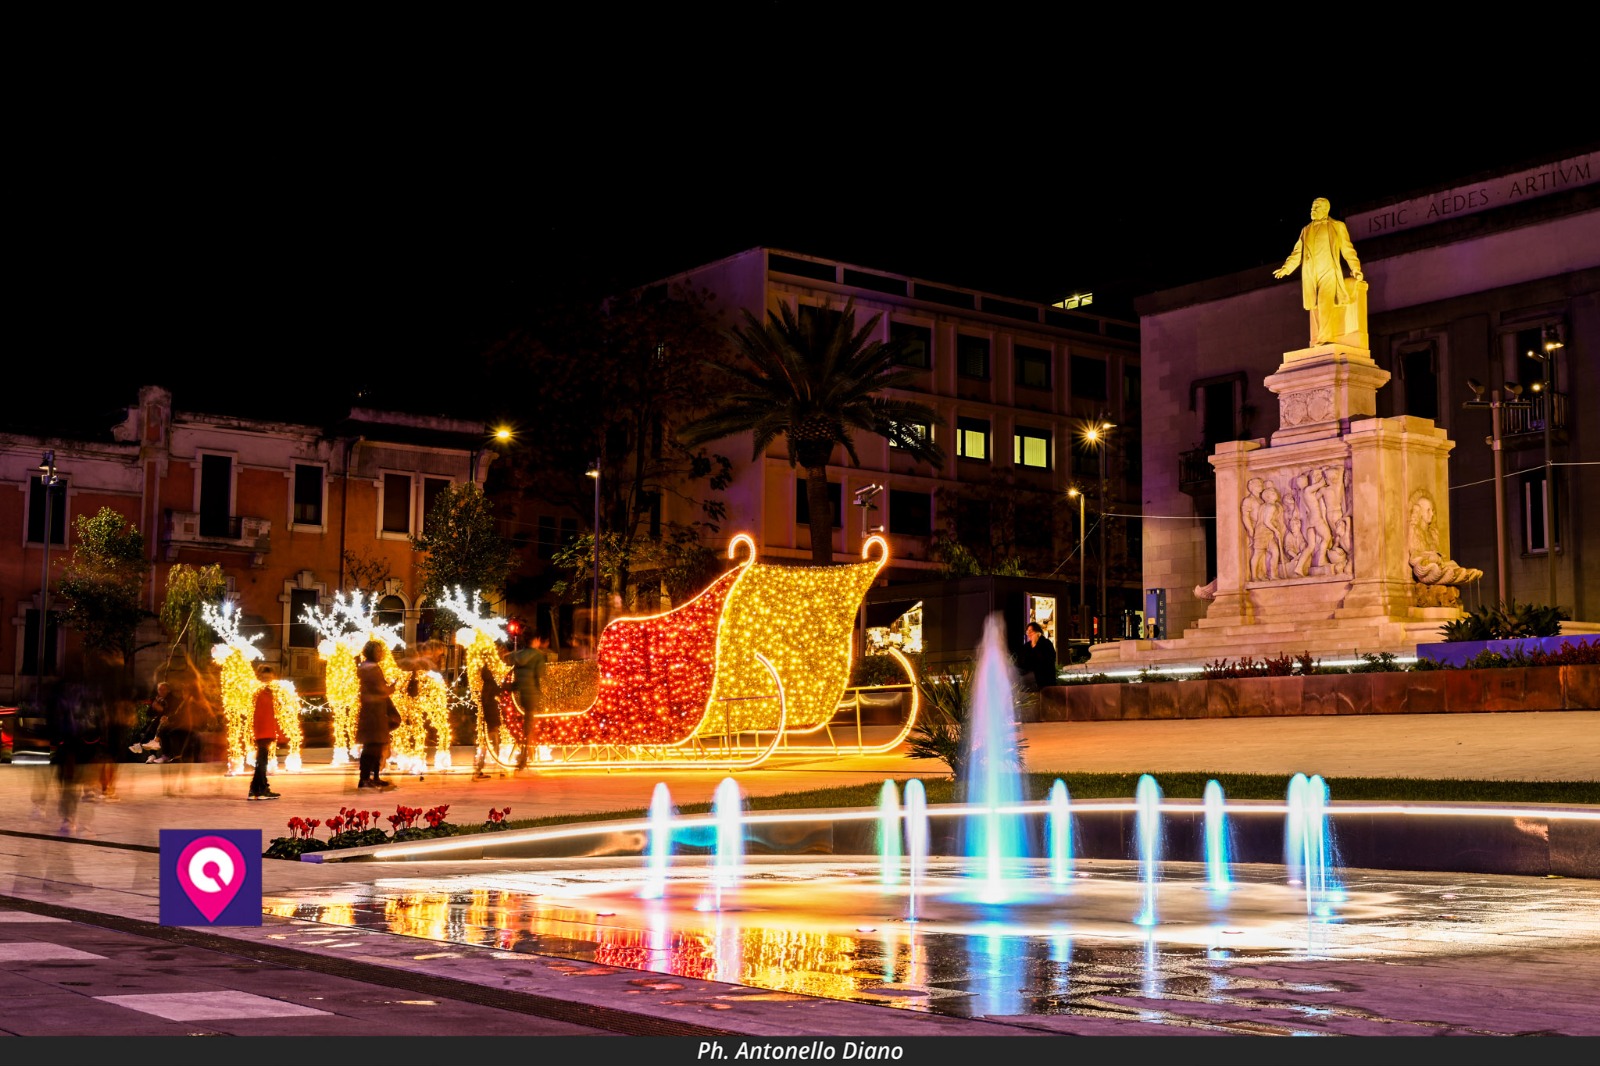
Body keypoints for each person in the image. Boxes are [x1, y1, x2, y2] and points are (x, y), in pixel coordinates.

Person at [1273, 197, 1364, 345]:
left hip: (1329, 271)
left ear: (1326, 209)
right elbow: (1297, 253)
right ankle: (1319, 338)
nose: (1312, 210)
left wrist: (1355, 268)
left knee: (1324, 301)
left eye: (1316, 207)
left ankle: (1325, 338)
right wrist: (1286, 268)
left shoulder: (1337, 226)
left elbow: (1347, 249)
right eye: (1312, 208)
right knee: (1314, 305)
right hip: (1311, 274)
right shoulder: (1306, 230)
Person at [355, 640, 397, 790]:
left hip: (374, 711)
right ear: (371, 652)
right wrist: (391, 688)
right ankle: (365, 778)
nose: (380, 654)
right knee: (372, 746)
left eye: (381, 651)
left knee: (376, 746)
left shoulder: (367, 666)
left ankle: (373, 777)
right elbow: (380, 690)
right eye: (378, 651)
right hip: (374, 712)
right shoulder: (371, 668)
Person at [503, 635, 549, 770]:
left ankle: (526, 756)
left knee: (527, 725)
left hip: (522, 694)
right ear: (534, 641)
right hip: (532, 694)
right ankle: (525, 759)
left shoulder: (518, 655)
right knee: (529, 727)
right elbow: (540, 674)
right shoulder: (537, 655)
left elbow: (516, 675)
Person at [472, 642, 507, 780]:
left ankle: (481, 769)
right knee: (492, 741)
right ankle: (490, 768)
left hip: (490, 713)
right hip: (491, 714)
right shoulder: (491, 684)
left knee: (489, 741)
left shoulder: (487, 685)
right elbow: (499, 690)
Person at [247, 664, 281, 800]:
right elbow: (262, 714)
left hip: (265, 731)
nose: (267, 680)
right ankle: (260, 790)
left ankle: (257, 789)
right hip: (263, 731)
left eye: (269, 678)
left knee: (261, 761)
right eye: (264, 678)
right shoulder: (260, 693)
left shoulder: (268, 692)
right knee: (262, 762)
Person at [1018, 621, 1058, 690]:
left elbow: (1046, 661)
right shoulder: (1027, 646)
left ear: (1038, 632)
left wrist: (1035, 646)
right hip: (1030, 678)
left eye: (1031, 631)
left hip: (1045, 679)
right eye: (1027, 631)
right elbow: (1023, 662)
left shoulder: (1046, 643)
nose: (1029, 634)